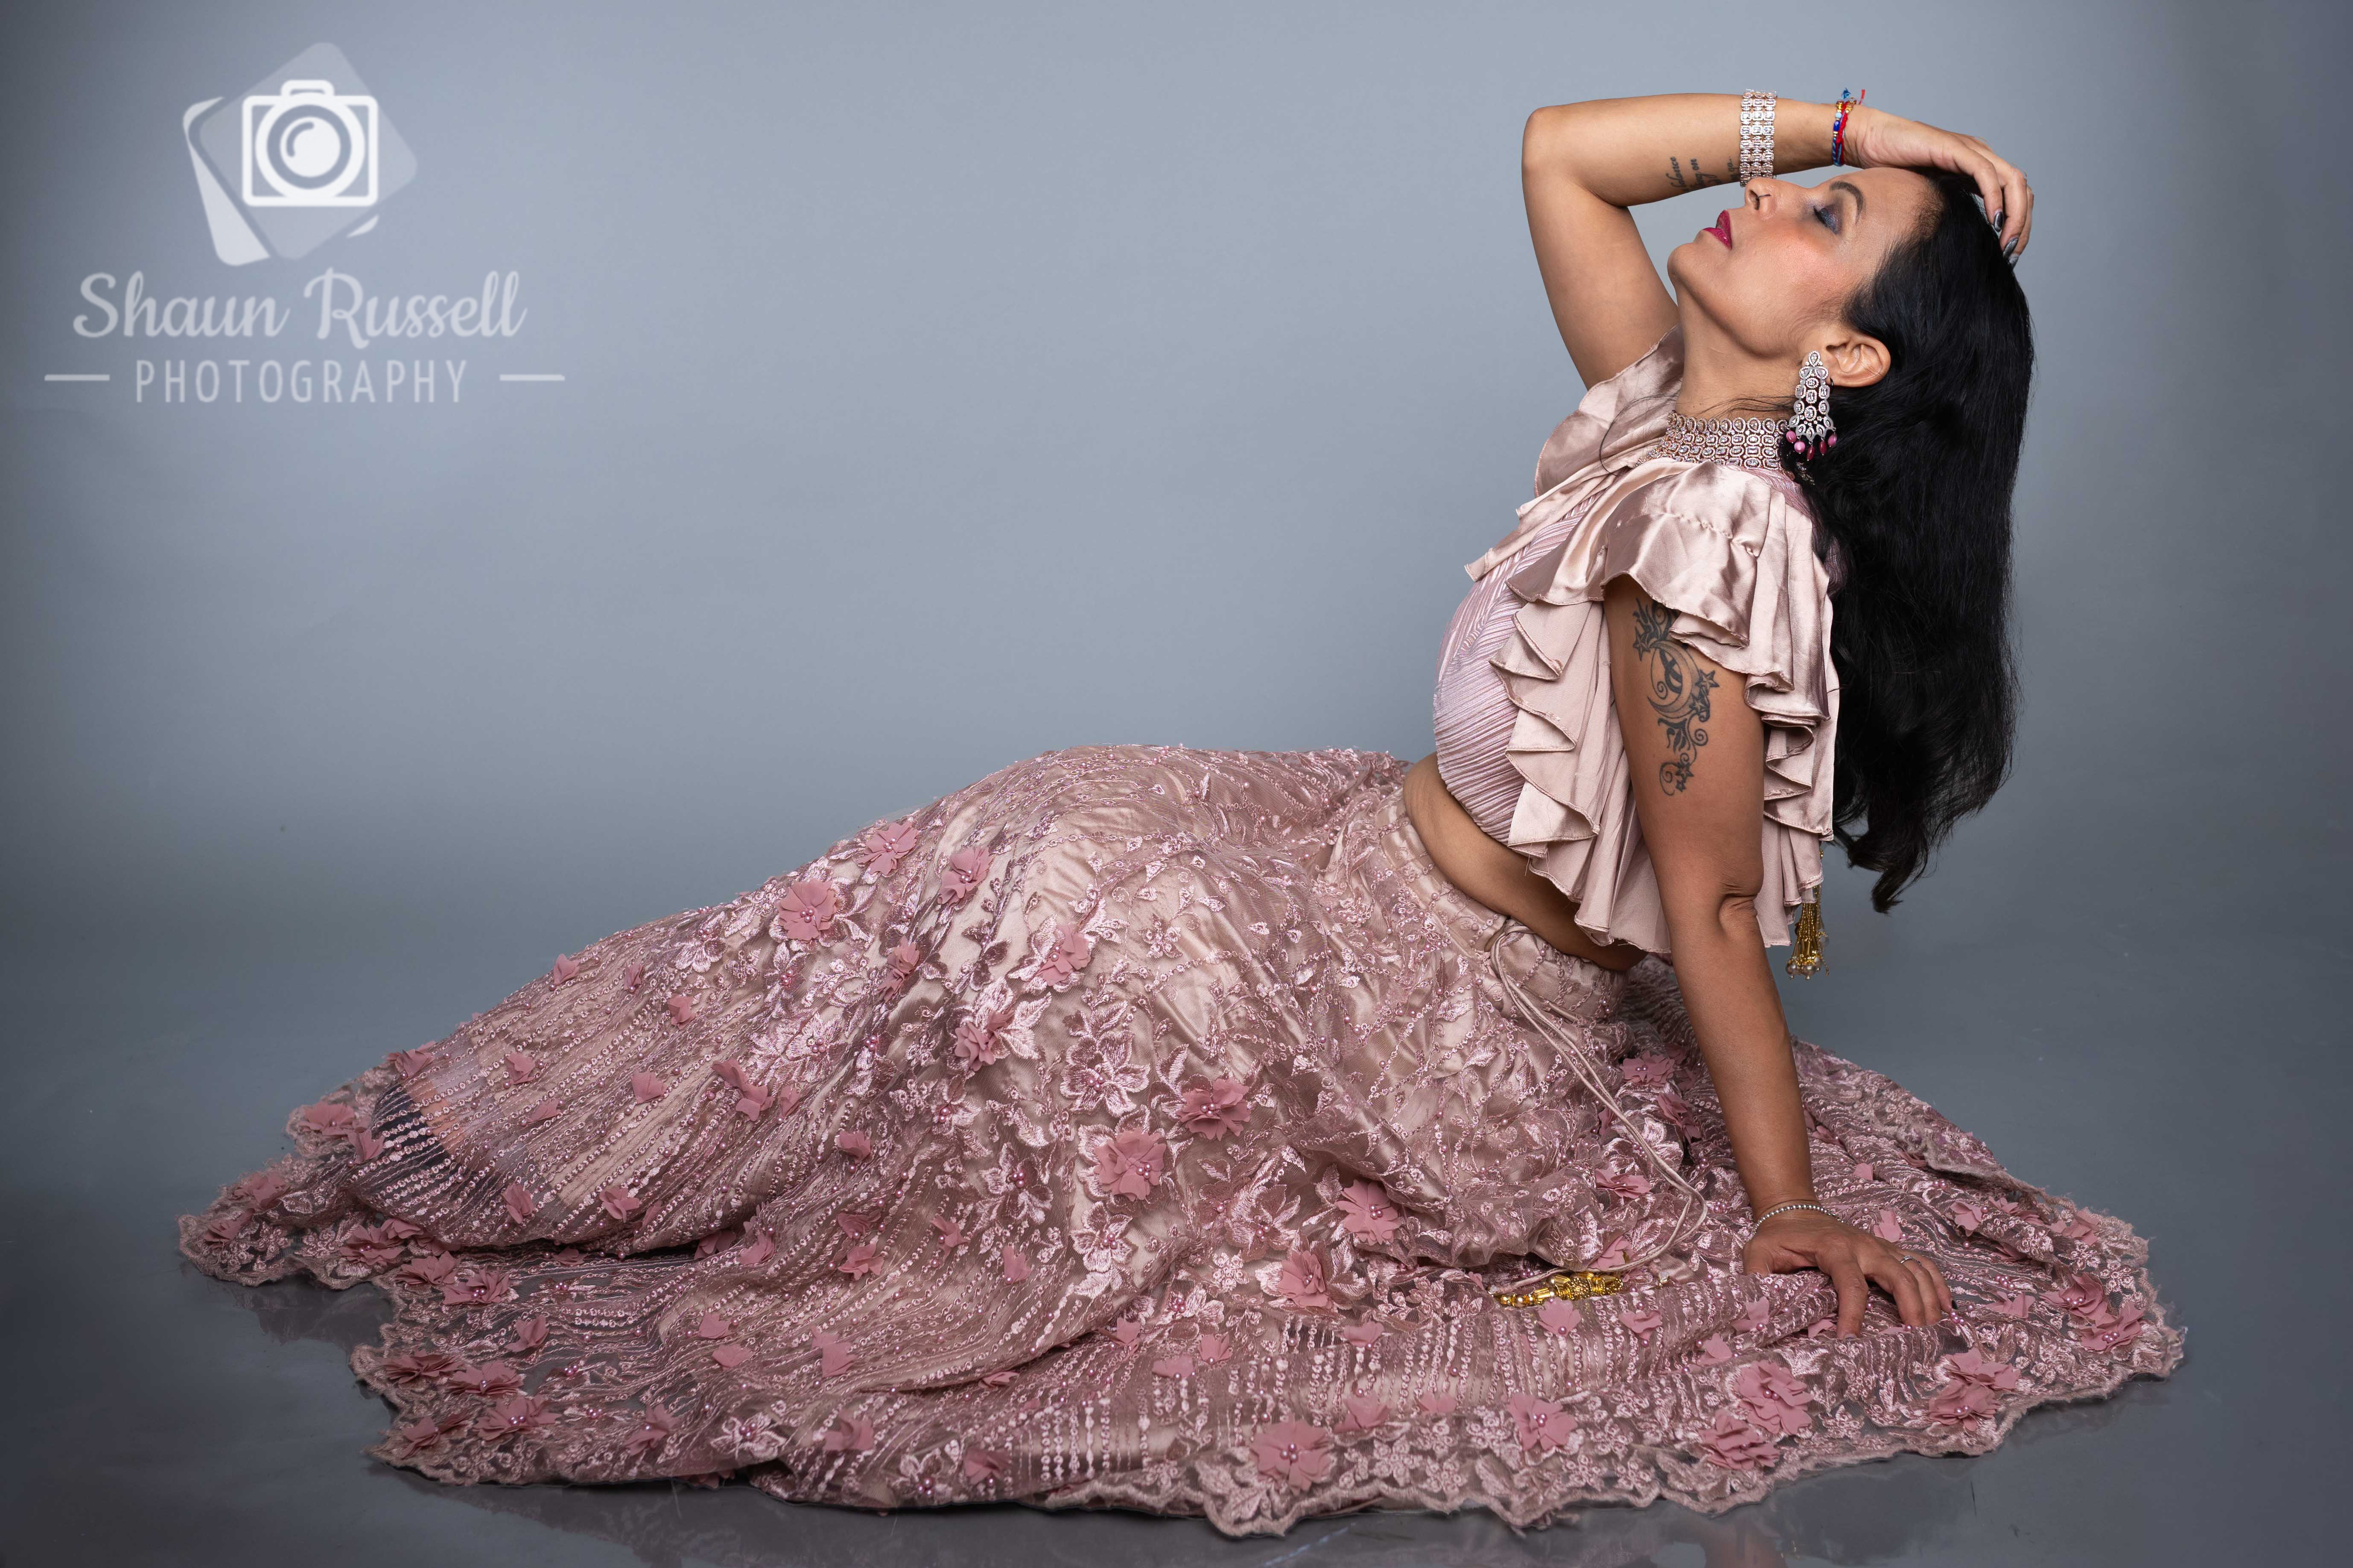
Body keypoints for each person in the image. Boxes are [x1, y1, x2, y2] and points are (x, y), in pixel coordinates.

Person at [180, 90, 2181, 1538]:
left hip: (1447, 1015)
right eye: (1791, 185)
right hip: (1352, 852)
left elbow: (1715, 912)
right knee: (1026, 822)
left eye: (1820, 222)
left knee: (1068, 922)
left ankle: (775, 1210)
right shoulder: (1663, 408)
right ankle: (569, 1146)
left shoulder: (1707, 548)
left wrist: (1789, 1204)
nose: (1760, 203)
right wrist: (1861, 130)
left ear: (1843, 355)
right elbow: (1560, 151)